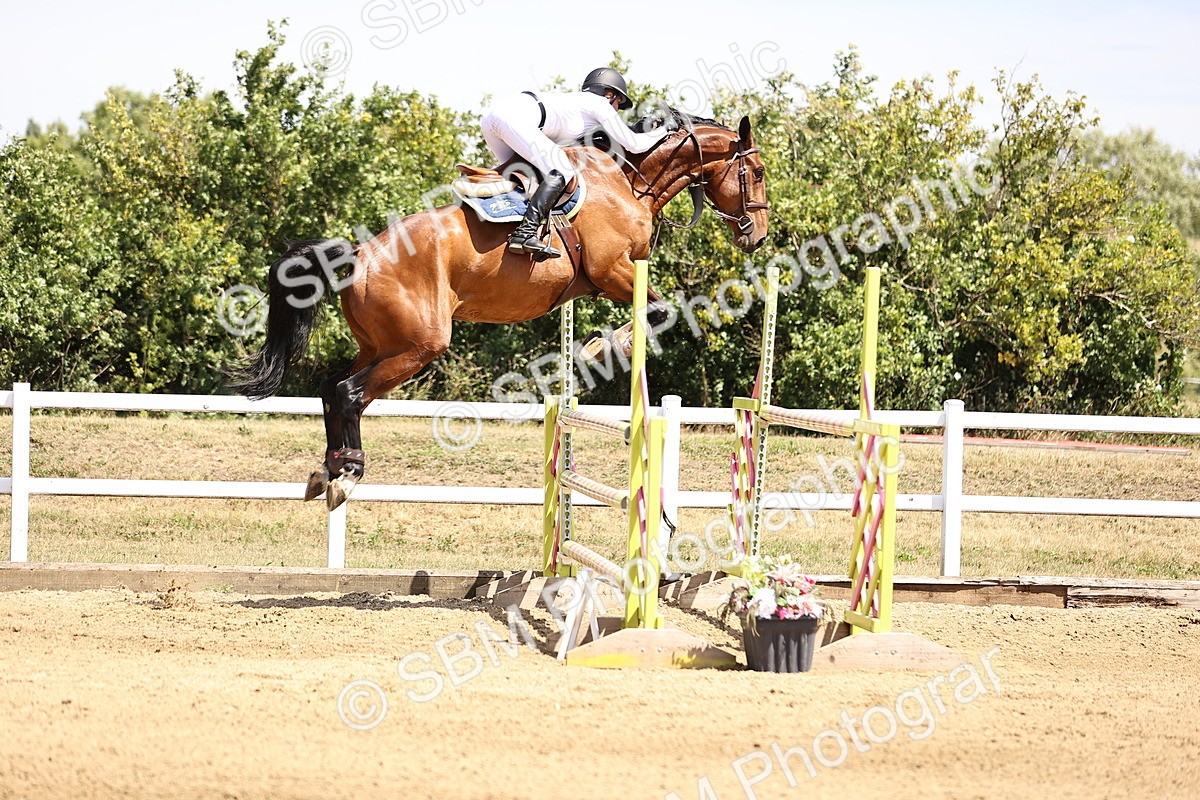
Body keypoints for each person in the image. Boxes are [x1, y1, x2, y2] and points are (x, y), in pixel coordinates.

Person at [481, 67, 673, 260]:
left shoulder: (578, 106)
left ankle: (497, 224)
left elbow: (593, 139)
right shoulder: (600, 104)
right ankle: (525, 233)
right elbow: (634, 146)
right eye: (618, 104)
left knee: (522, 175)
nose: (617, 110)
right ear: (609, 95)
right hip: (515, 117)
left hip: (496, 117)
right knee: (563, 170)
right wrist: (665, 130)